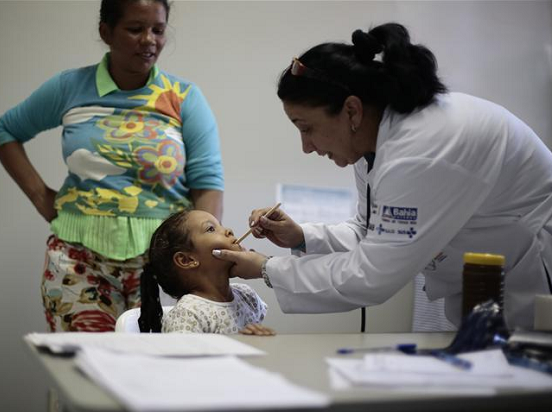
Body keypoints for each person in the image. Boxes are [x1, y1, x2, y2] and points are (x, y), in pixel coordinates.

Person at [212, 22, 552, 330]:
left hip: (533, 270)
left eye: (307, 128)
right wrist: (300, 237)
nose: (307, 147)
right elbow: (370, 231)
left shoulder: (422, 148)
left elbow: (372, 274)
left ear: (351, 110)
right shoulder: (374, 145)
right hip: (487, 274)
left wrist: (266, 268)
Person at [0, 0, 224, 332]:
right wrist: (42, 197)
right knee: (82, 371)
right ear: (106, 31)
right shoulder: (70, 87)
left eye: (158, 30)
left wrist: (203, 261)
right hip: (78, 260)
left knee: (159, 374)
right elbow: (5, 132)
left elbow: (207, 184)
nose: (149, 40)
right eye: (135, 29)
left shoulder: (183, 96)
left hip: (163, 263)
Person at [139, 210, 274, 335]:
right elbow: (183, 360)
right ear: (186, 260)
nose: (228, 230)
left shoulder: (246, 294)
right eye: (211, 229)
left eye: (220, 225)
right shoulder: (187, 315)